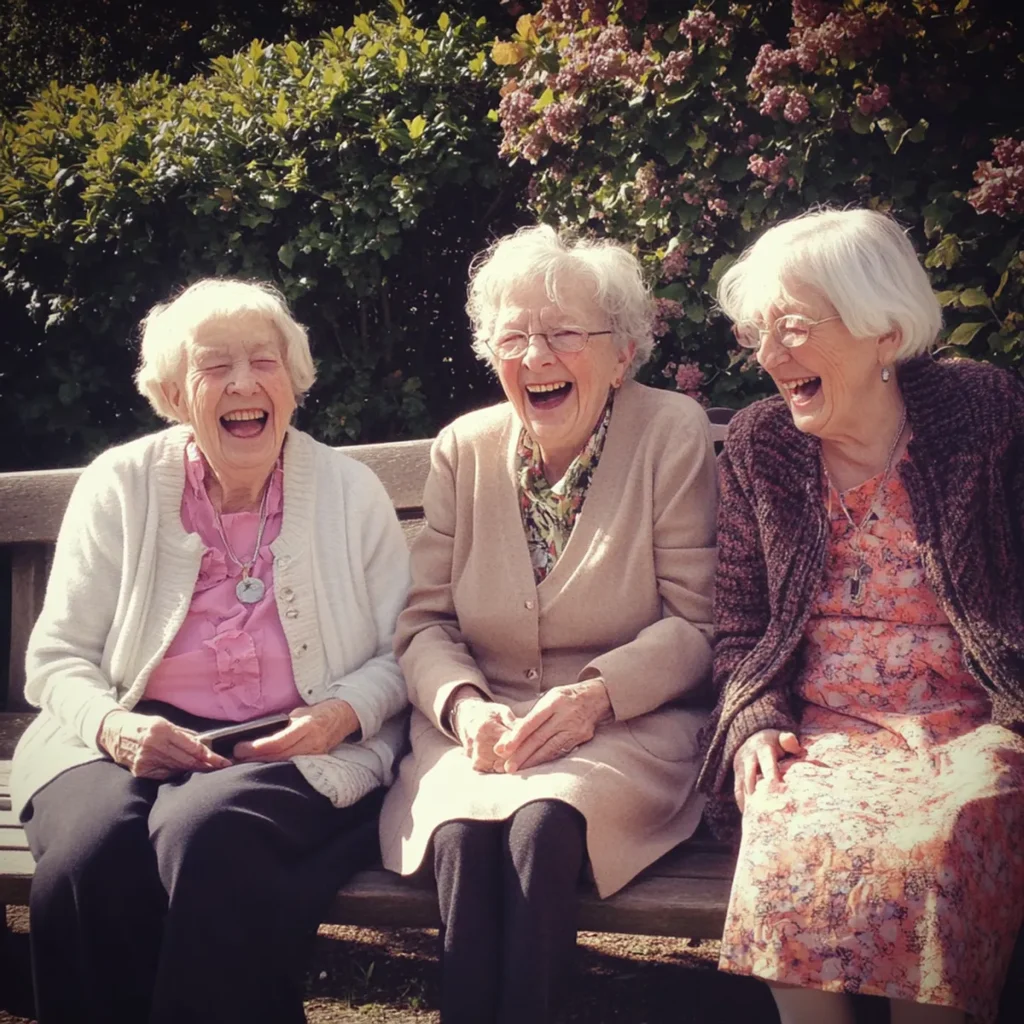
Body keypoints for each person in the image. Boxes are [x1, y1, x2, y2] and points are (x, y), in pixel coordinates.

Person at [10, 279, 411, 1024]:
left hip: (297, 740)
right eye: (213, 365)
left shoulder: (351, 494)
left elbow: (402, 652)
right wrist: (112, 726)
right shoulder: (119, 485)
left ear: (292, 380)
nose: (242, 383)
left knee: (206, 835)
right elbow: (57, 655)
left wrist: (337, 716)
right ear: (171, 390)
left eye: (264, 360)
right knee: (86, 857)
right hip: (117, 725)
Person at [378, 225, 717, 1024]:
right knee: (461, 831)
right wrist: (463, 708)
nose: (536, 356)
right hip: (483, 723)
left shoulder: (669, 432)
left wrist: (596, 698)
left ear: (622, 352)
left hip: (628, 727)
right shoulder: (464, 447)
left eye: (565, 334)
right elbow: (423, 624)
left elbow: (696, 623)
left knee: (542, 824)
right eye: (514, 336)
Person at [698, 208, 1024, 1024]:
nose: (772, 357)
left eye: (795, 328)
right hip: (827, 733)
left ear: (883, 331)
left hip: (972, 724)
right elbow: (740, 628)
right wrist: (757, 719)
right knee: (787, 828)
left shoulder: (982, 413)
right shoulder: (759, 444)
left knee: (937, 848)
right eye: (759, 334)